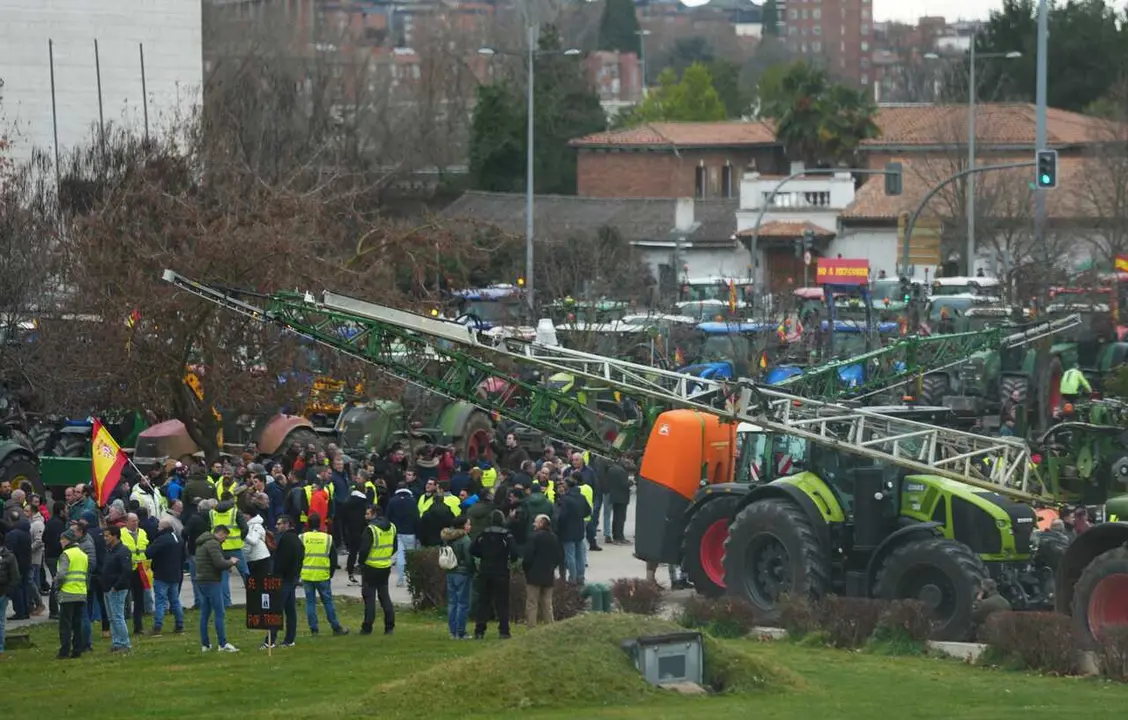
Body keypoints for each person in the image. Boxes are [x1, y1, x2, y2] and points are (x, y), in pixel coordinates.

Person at [471, 510, 518, 639]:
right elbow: (515, 553)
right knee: (502, 603)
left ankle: (479, 630)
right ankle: (504, 631)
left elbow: (473, 549)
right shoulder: (506, 536)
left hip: (485, 569)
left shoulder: (483, 534)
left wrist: (483, 556)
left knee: (483, 602)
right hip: (501, 570)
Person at [299, 513, 349, 637]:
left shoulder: (302, 537)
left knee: (310, 602)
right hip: (323, 575)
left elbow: (298, 556)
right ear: (320, 523)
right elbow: (333, 559)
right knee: (328, 602)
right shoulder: (328, 538)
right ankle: (336, 627)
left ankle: (314, 629)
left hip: (307, 574)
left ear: (308, 524)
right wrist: (330, 573)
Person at [194, 524, 240, 652]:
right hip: (211, 581)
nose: (225, 539)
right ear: (220, 533)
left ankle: (205, 644)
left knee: (205, 613)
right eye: (225, 536)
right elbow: (219, 563)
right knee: (219, 612)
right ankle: (222, 644)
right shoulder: (213, 543)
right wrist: (232, 562)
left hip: (201, 580)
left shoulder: (202, 542)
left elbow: (212, 561)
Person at [264, 515, 303, 650]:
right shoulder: (297, 539)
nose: (277, 526)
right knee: (290, 611)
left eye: (279, 523)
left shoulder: (285, 539)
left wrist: (275, 573)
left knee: (276, 610)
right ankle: (289, 639)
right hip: (292, 579)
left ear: (287, 525)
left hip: (283, 579)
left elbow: (282, 561)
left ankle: (270, 641)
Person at [357, 504, 396, 636]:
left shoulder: (371, 529)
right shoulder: (392, 527)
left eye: (367, 514)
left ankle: (367, 627)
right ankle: (389, 627)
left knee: (369, 598)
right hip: (385, 566)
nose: (365, 516)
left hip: (370, 567)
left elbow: (364, 550)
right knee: (384, 596)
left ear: (374, 514)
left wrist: (361, 563)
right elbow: (394, 546)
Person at [145, 519, 184, 636]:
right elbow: (184, 556)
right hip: (175, 573)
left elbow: (149, 553)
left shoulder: (162, 539)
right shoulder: (178, 538)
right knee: (175, 600)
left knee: (160, 601)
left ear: (162, 528)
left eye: (158, 527)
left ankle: (157, 626)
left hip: (161, 574)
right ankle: (179, 624)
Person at [54, 529, 88, 659]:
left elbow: (62, 574)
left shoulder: (66, 554)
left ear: (68, 540)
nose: (60, 542)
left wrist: (56, 585)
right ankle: (77, 650)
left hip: (67, 592)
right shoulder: (82, 554)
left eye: (62, 539)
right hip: (81, 592)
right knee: (77, 624)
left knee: (65, 625)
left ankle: (64, 651)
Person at [523, 514, 562, 628]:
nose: (533, 524)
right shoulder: (554, 538)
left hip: (533, 575)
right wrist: (552, 567)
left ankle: (531, 627)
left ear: (541, 523)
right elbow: (559, 556)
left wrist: (527, 570)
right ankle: (550, 627)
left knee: (532, 603)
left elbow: (528, 557)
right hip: (548, 574)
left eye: (535, 522)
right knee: (547, 603)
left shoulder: (533, 537)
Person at [209, 500, 249, 608]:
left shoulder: (212, 512)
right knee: (245, 573)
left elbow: (210, 528)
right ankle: (254, 597)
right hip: (235, 547)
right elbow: (245, 528)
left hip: (219, 547)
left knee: (223, 577)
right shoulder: (235, 512)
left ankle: (226, 603)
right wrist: (240, 539)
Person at [101, 526, 133, 652]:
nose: (105, 538)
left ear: (115, 536)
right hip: (108, 587)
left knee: (118, 616)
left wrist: (116, 586)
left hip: (116, 589)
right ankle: (117, 642)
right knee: (112, 617)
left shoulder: (122, 551)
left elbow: (126, 571)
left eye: (107, 536)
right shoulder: (110, 550)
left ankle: (124, 643)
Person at [441, 515, 474, 640]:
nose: (470, 526)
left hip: (450, 572)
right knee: (463, 603)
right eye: (468, 524)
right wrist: (473, 570)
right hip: (463, 572)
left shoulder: (448, 538)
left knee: (452, 603)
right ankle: (461, 631)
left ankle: (452, 631)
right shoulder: (465, 540)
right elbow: (469, 559)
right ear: (463, 526)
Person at [557, 477, 591, 585]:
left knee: (570, 555)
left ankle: (572, 578)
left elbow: (562, 516)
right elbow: (588, 511)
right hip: (579, 528)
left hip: (567, 530)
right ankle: (580, 577)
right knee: (579, 554)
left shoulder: (565, 499)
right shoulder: (581, 497)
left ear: (567, 486)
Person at [386, 484, 418, 588]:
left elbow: (388, 516)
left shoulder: (392, 501)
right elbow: (416, 517)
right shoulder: (412, 501)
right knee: (410, 556)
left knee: (400, 556)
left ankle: (400, 579)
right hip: (410, 532)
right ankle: (412, 579)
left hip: (397, 532)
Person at [605, 458, 633, 545]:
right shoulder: (622, 471)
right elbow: (624, 484)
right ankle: (619, 537)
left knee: (616, 517)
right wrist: (631, 482)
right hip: (622, 498)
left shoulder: (612, 469)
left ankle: (616, 536)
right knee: (620, 518)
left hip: (614, 496)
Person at [0, 540, 20, 659]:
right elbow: (15, 576)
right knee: (1, 622)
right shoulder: (9, 557)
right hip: (4, 592)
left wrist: (7, 592)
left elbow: (15, 577)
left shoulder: (9, 557)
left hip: (2, 593)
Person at [244, 499, 272, 579]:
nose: (242, 516)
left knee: (261, 584)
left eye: (244, 514)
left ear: (249, 515)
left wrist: (243, 534)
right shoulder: (247, 526)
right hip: (251, 559)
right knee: (252, 587)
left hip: (260, 559)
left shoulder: (257, 526)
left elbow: (254, 541)